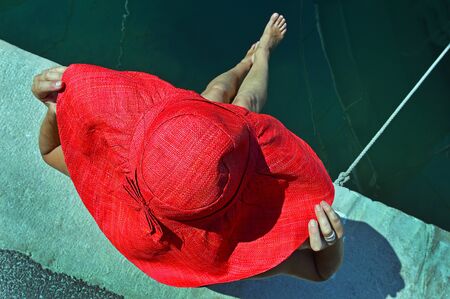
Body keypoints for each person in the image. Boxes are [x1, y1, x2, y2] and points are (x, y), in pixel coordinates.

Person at [32, 13, 344, 287]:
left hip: (180, 142)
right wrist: (330, 243)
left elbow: (50, 151)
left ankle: (243, 63)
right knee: (242, 104)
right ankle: (261, 55)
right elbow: (319, 271)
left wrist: (56, 113)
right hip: (214, 218)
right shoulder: (239, 251)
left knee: (215, 93)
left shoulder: (130, 201)